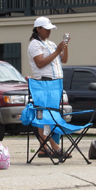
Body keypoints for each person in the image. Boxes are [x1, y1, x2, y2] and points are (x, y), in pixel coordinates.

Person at [27, 16, 69, 158]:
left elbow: (63, 59)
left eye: (50, 30)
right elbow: (39, 63)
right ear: (38, 29)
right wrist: (57, 51)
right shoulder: (34, 44)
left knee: (51, 114)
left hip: (54, 83)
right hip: (44, 82)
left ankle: (44, 147)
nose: (49, 32)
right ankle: (51, 145)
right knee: (45, 115)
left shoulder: (49, 43)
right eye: (46, 29)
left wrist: (64, 46)